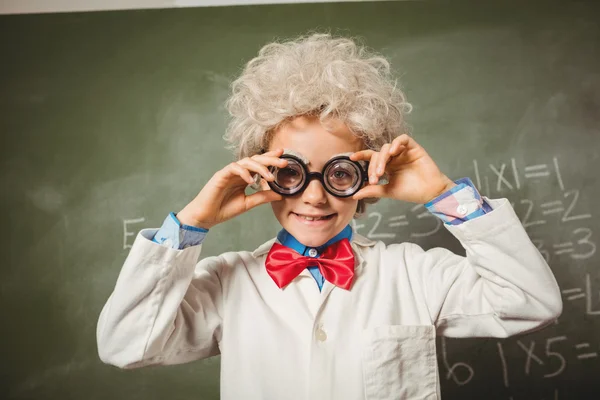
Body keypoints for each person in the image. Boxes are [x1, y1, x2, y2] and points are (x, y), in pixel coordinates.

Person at [96, 33, 562, 399]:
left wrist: (443, 195)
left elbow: (530, 302)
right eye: (291, 172)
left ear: (366, 174)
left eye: (338, 174)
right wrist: (193, 221)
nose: (315, 197)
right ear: (261, 174)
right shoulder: (225, 282)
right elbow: (126, 345)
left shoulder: (413, 272)